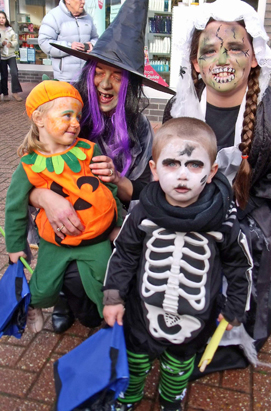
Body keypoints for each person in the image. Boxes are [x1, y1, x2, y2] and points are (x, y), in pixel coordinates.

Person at [163, 0, 271, 376]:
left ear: (254, 57)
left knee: (238, 282)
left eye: (235, 47)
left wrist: (231, 227)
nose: (222, 57)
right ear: (195, 64)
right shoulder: (178, 109)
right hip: (187, 218)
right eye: (209, 50)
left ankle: (229, 336)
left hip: (242, 223)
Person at [30, 0, 175, 334]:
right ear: (88, 72)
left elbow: (144, 190)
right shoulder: (66, 113)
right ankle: (65, 297)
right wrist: (44, 198)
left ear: (131, 85)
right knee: (70, 275)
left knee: (101, 299)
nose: (106, 85)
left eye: (118, 77)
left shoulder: (139, 128)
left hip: (111, 223)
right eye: (99, 72)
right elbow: (30, 169)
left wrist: (117, 180)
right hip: (60, 219)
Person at [103, 117, 252, 411]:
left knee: (179, 366)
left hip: (195, 317)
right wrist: (113, 295)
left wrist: (235, 307)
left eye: (194, 165)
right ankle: (129, 397)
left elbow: (239, 267)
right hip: (141, 313)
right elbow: (124, 253)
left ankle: (171, 399)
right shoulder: (143, 212)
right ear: (154, 170)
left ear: (212, 172)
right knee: (134, 361)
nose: (182, 175)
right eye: (171, 163)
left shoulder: (224, 220)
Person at [4, 80, 123, 334]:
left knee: (104, 281)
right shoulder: (29, 165)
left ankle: (114, 327)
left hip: (96, 239)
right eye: (67, 115)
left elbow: (108, 190)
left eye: (77, 116)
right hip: (56, 243)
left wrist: (117, 224)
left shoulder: (88, 150)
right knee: (43, 286)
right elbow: (14, 209)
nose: (76, 122)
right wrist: (16, 247)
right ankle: (33, 306)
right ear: (39, 118)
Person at [38, 0, 98, 82]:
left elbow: (95, 38)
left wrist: (92, 45)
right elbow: (44, 42)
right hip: (65, 79)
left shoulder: (88, 18)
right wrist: (69, 47)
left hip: (86, 77)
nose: (83, 2)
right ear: (68, 1)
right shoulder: (53, 16)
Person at [0, 11, 23, 101]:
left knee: (14, 73)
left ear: (6, 19)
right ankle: (5, 93)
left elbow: (15, 41)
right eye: (0, 18)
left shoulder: (9, 29)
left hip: (11, 55)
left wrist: (11, 43)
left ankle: (15, 93)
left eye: (3, 18)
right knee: (3, 75)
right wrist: (2, 44)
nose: (1, 20)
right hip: (1, 56)